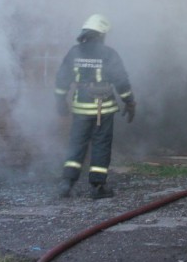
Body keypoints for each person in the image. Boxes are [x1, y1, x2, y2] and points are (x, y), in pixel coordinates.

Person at [55, 14, 136, 199]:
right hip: (103, 108)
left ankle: (67, 183)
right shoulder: (108, 53)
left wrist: (60, 100)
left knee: (76, 143)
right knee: (101, 144)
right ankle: (98, 186)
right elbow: (121, 81)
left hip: (80, 107)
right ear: (101, 34)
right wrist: (129, 101)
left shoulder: (74, 52)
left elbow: (61, 79)